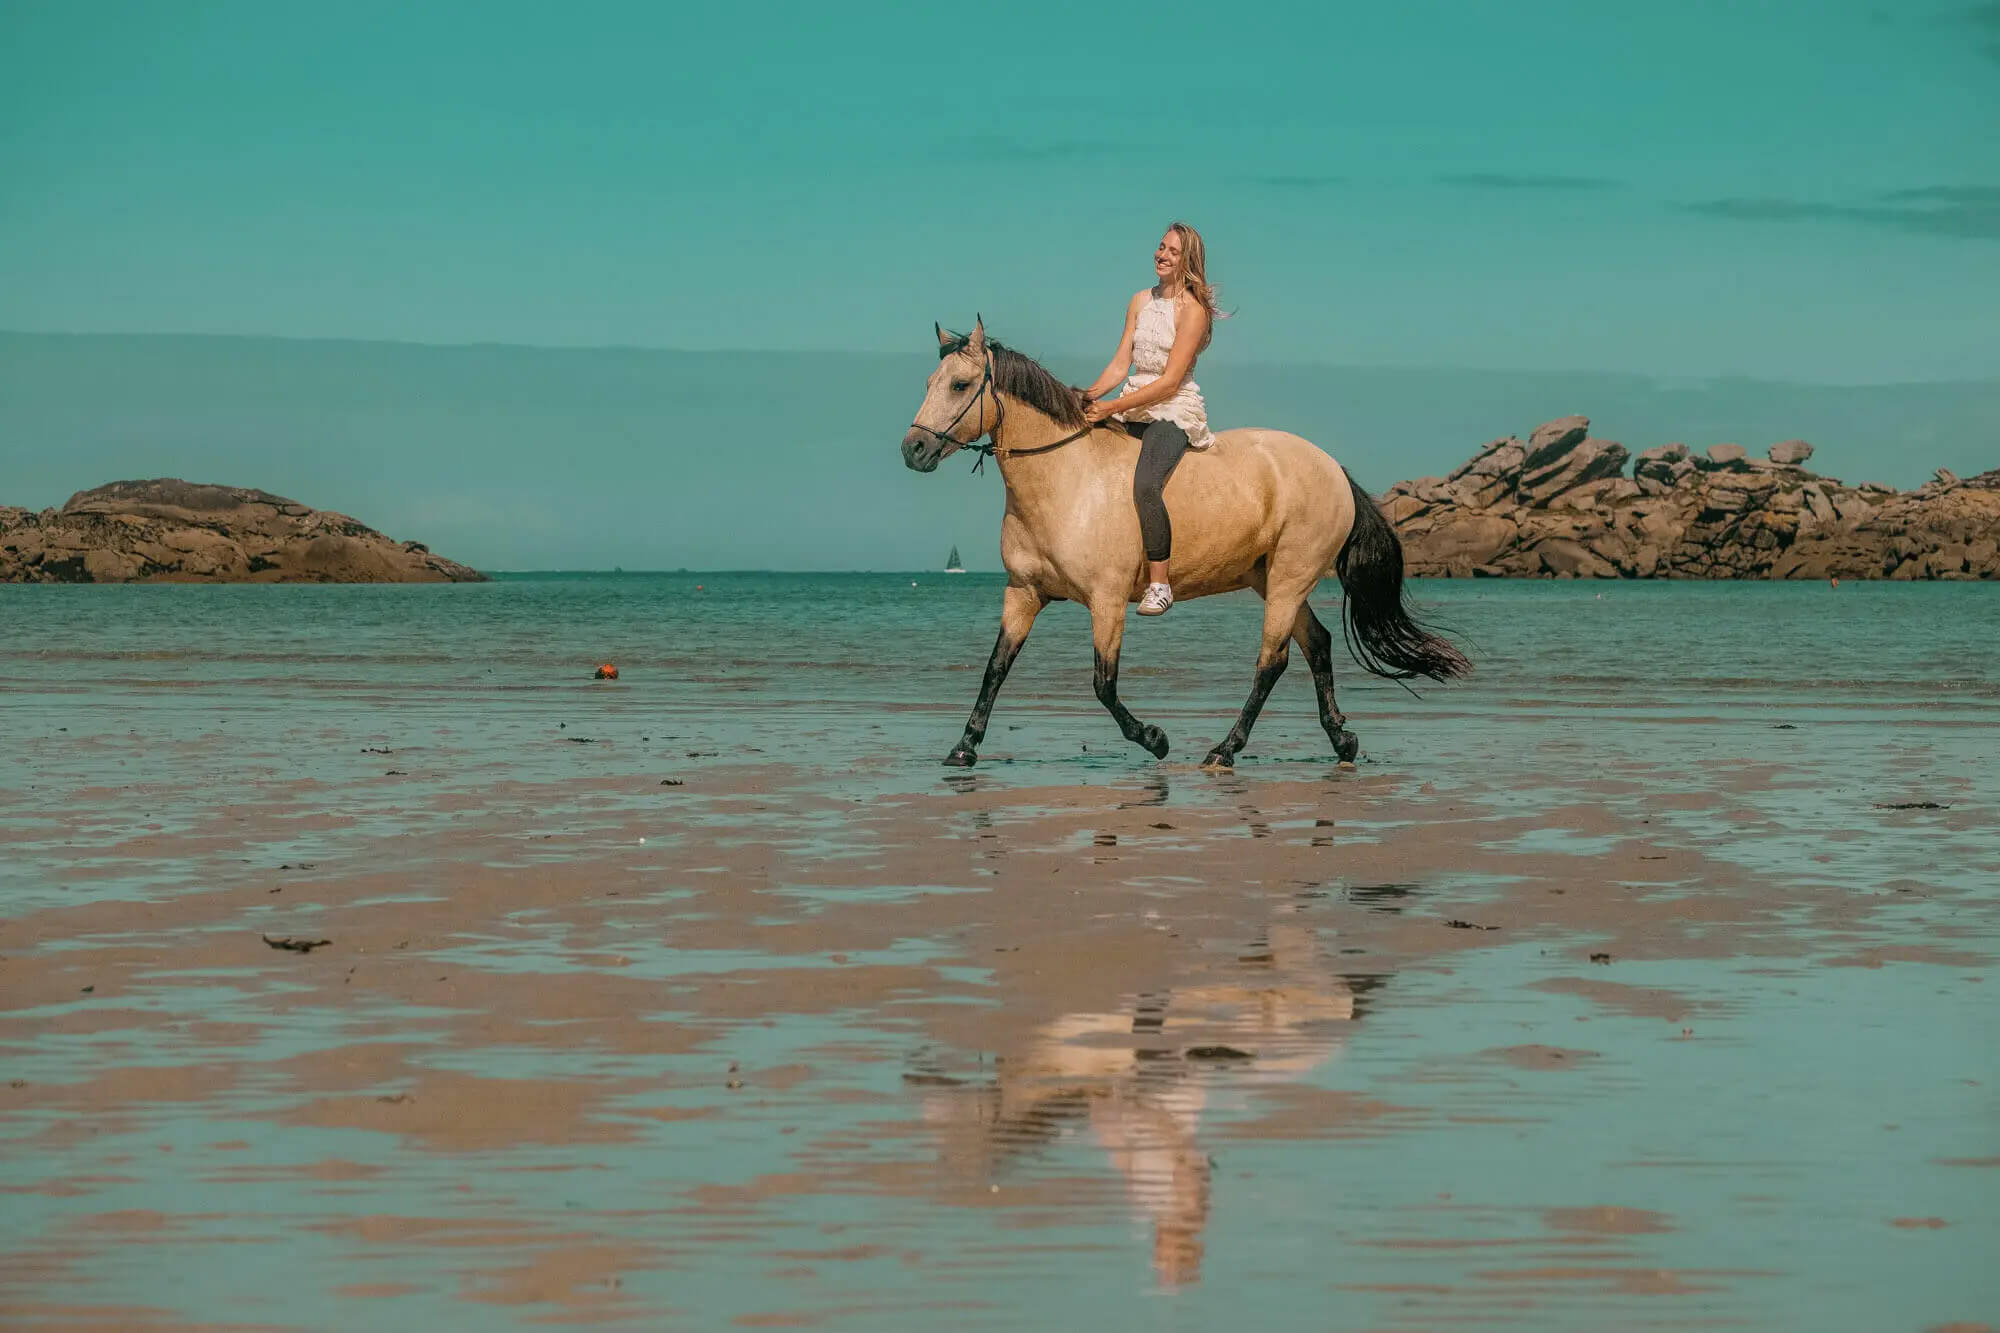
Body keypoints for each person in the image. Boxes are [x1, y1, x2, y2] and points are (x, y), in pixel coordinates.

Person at [1079, 222, 1224, 616]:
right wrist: (1089, 395)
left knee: (1146, 483)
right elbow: (1120, 364)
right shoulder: (1139, 300)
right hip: (1131, 401)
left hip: (1172, 407)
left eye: (1173, 252)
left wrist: (1110, 408)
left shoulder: (1193, 312)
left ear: (1188, 261)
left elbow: (1169, 382)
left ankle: (1160, 583)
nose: (1162, 255)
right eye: (1161, 247)